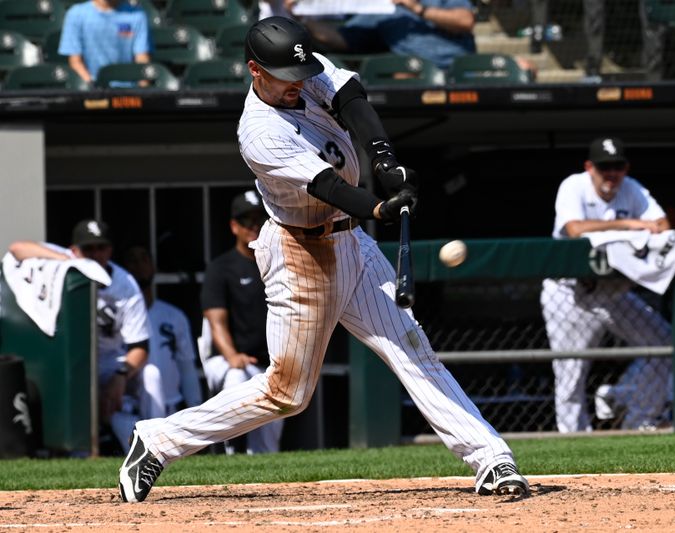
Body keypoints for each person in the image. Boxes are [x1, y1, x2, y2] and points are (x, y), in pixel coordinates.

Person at [119, 16, 528, 502]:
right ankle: (158, 440)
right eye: (285, 79)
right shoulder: (258, 131)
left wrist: (384, 161)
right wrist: (379, 206)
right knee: (287, 392)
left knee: (410, 345)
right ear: (255, 70)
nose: (299, 84)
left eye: (301, 72)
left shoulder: (301, 68)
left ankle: (491, 458)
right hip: (300, 251)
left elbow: (352, 101)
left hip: (351, 241)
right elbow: (327, 186)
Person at [540, 137, 672, 433]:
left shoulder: (632, 188)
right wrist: (630, 226)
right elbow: (574, 229)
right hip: (571, 293)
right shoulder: (573, 186)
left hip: (613, 293)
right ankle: (573, 438)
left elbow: (663, 226)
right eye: (604, 167)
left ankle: (640, 421)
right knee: (571, 372)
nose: (611, 173)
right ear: (590, 167)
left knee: (664, 343)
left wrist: (637, 225)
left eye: (618, 166)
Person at [8, 220, 150, 453]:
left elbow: (140, 346)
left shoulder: (125, 283)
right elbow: (18, 248)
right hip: (73, 357)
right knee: (77, 379)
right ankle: (77, 451)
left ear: (110, 250)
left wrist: (121, 375)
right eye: (88, 249)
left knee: (152, 376)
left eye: (101, 248)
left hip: (111, 361)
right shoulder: (68, 260)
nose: (95, 255)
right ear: (75, 250)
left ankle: (162, 441)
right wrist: (66, 261)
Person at [199, 190, 283, 454]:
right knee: (237, 378)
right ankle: (229, 451)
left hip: (266, 363)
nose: (254, 227)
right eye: (247, 221)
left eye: (259, 219)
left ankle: (261, 467)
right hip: (226, 361)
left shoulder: (278, 262)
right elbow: (216, 320)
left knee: (269, 438)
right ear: (234, 226)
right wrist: (233, 355)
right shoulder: (221, 267)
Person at [122, 246, 203, 420]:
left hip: (170, 409)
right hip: (129, 408)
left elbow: (187, 367)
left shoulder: (174, 316)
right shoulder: (116, 315)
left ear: (153, 266)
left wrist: (195, 410)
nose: (138, 266)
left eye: (144, 259)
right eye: (132, 261)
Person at [287, 0, 477, 70]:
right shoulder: (380, 9)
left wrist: (417, 8)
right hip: (412, 72)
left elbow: (465, 21)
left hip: (457, 69)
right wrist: (303, 19)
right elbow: (341, 39)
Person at [58, 0, 151, 84]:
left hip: (128, 91)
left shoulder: (138, 15)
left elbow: (142, 59)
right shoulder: (76, 14)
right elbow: (75, 62)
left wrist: (142, 91)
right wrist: (92, 87)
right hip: (92, 89)